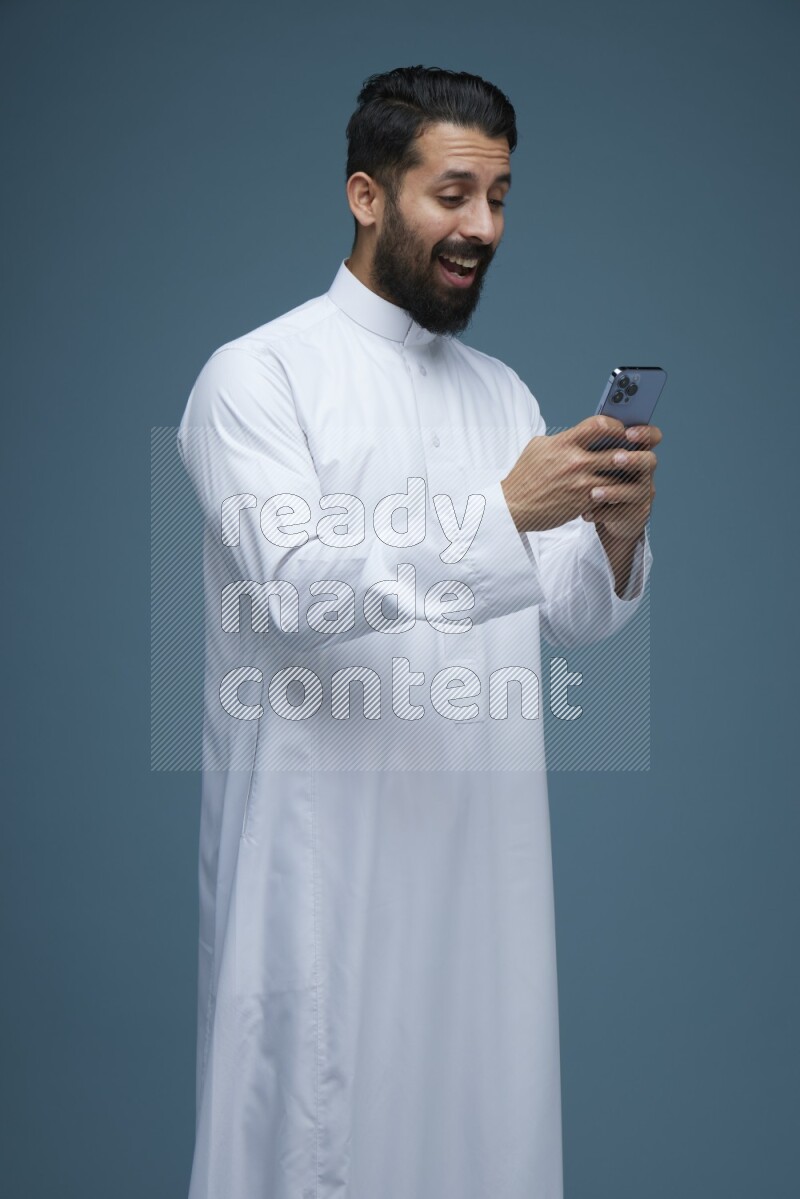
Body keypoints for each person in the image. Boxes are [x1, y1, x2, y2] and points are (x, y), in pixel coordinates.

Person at [177, 65, 660, 1199]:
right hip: (320, 867)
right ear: (366, 194)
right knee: (312, 1143)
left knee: (482, 1141)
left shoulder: (500, 394)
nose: (480, 228)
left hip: (483, 872)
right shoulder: (257, 379)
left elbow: (571, 617)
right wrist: (505, 512)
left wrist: (616, 540)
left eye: (496, 199)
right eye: (452, 194)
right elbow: (295, 588)